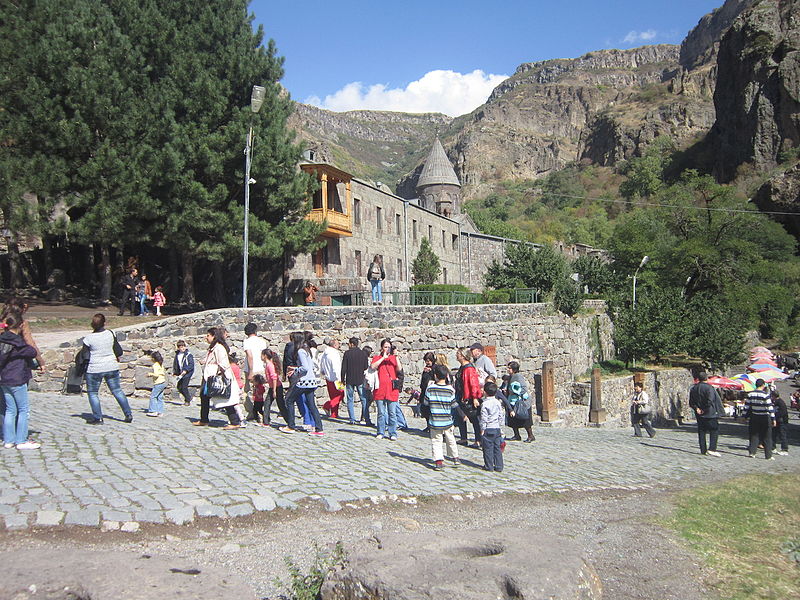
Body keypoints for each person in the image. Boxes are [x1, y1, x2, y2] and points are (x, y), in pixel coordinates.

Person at [82, 313, 134, 425]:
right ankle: (128, 414)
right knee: (117, 391)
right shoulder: (111, 333)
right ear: (104, 323)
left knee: (93, 393)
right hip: (111, 366)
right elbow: (118, 351)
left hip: (95, 368)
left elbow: (85, 357)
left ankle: (98, 417)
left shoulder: (88, 339)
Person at [0, 313, 40, 449]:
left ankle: (8, 439)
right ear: (21, 325)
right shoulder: (17, 342)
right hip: (17, 379)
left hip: (4, 379)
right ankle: (21, 440)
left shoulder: (2, 339)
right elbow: (31, 352)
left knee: (10, 410)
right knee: (23, 409)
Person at [192, 327, 241, 429]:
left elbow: (223, 363)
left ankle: (235, 421)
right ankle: (204, 419)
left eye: (208, 335)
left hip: (215, 377)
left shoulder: (219, 348)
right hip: (209, 376)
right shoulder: (214, 347)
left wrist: (222, 376)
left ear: (214, 336)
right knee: (204, 397)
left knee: (224, 399)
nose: (206, 337)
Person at [425, 364, 460, 471]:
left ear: (435, 376)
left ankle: (438, 461)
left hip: (435, 420)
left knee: (436, 441)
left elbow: (426, 403)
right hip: (447, 420)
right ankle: (455, 457)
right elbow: (454, 404)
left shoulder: (430, 388)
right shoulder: (450, 389)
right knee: (451, 439)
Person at [292, 332, 324, 436]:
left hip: (304, 381)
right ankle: (319, 428)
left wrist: (295, 370)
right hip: (311, 381)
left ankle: (290, 425)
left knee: (288, 400)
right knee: (312, 405)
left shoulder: (301, 351)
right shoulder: (307, 350)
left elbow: (305, 367)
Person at [0, 297, 44, 371]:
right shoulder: (22, 323)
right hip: (14, 363)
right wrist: (41, 362)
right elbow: (30, 342)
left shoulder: (2, 321)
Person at [371, 339, 401, 440]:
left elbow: (399, 369)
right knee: (381, 412)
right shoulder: (377, 357)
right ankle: (381, 431)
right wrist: (383, 358)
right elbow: (373, 366)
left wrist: (396, 356)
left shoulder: (393, 358)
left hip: (391, 389)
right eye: (385, 347)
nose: (387, 349)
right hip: (380, 389)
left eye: (389, 347)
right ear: (382, 348)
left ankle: (392, 432)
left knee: (392, 413)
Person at [688, 371, 723, 457]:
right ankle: (712, 448)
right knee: (714, 429)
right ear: (706, 378)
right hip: (709, 412)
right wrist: (704, 409)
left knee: (702, 431)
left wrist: (697, 408)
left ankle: (703, 449)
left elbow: (691, 402)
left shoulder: (693, 388)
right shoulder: (709, 388)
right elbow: (710, 400)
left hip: (699, 413)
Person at [454, 347, 482, 447]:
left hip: (468, 397)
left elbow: (473, 383)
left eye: (458, 353)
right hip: (461, 395)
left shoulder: (469, 368)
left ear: (462, 355)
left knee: (474, 419)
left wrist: (474, 397)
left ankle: (478, 440)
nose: (456, 355)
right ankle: (463, 438)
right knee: (460, 416)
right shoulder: (463, 367)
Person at [743, 378, 775, 459]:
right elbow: (770, 407)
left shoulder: (750, 394)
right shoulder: (765, 395)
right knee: (767, 436)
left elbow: (746, 407)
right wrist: (773, 419)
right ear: (763, 385)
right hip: (764, 416)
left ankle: (752, 452)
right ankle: (768, 455)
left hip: (754, 416)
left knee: (754, 435)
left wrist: (744, 417)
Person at [342, 337, 370, 426]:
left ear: (351, 344)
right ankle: (366, 418)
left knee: (350, 399)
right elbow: (366, 367)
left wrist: (342, 379)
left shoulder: (347, 354)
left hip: (350, 379)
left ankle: (352, 419)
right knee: (364, 399)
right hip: (360, 379)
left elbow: (343, 368)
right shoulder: (363, 354)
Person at [503, 361, 535, 442]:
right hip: (512, 401)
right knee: (513, 419)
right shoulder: (510, 377)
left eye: (509, 368)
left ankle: (530, 435)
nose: (508, 369)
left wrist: (514, 392)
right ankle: (517, 435)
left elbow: (523, 388)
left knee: (525, 420)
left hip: (521, 402)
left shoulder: (518, 377)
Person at [243, 323, 267, 415]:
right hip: (260, 367)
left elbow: (250, 356)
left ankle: (252, 412)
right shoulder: (262, 341)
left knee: (247, 392)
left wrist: (251, 370)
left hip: (250, 369)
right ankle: (259, 412)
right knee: (259, 393)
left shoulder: (247, 341)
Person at [480, 381, 504, 472]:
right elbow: (501, 415)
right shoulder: (497, 402)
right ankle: (499, 466)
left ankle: (489, 466)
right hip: (496, 428)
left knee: (488, 449)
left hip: (488, 428)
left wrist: (482, 428)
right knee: (497, 448)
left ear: (485, 392)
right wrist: (500, 426)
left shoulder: (485, 404)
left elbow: (484, 418)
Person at [320, 338, 344, 418]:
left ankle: (334, 414)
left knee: (333, 396)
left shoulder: (325, 353)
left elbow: (321, 363)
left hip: (328, 377)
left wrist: (323, 371)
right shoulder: (334, 354)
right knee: (341, 395)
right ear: (334, 345)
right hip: (336, 378)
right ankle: (327, 405)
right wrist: (340, 378)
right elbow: (336, 367)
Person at [172, 340, 195, 406]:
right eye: (181, 347)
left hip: (187, 373)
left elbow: (191, 365)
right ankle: (188, 397)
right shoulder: (177, 354)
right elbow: (176, 364)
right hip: (181, 373)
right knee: (179, 387)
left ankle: (187, 400)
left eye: (184, 346)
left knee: (184, 387)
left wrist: (186, 370)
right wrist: (175, 372)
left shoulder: (188, 355)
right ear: (178, 348)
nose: (183, 348)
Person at [145, 351, 166, 417]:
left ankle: (153, 411)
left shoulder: (155, 365)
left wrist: (150, 374)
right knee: (160, 397)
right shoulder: (161, 364)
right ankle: (160, 411)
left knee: (153, 397)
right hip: (163, 382)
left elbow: (156, 375)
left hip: (158, 383)